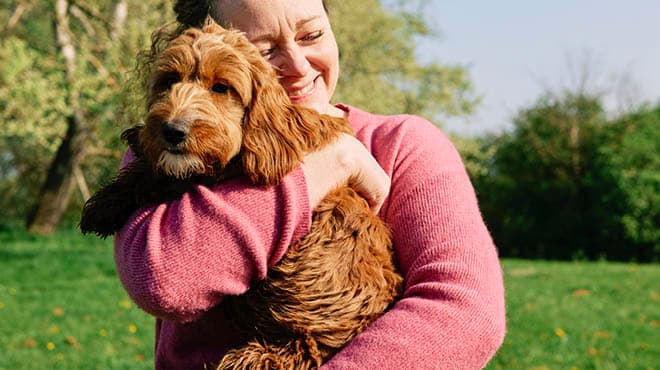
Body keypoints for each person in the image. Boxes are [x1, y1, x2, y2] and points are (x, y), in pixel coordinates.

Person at [115, 0, 506, 369]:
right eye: (263, 49)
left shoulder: (402, 144)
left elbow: (464, 311)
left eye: (311, 35)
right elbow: (165, 280)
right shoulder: (170, 142)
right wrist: (332, 163)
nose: (299, 67)